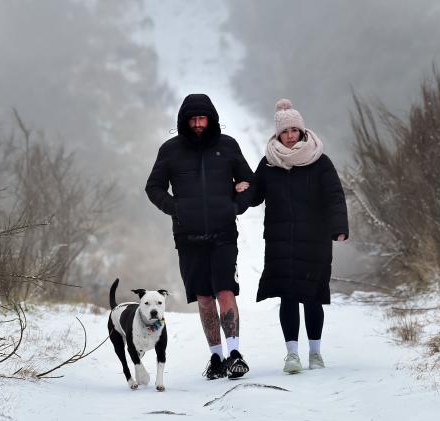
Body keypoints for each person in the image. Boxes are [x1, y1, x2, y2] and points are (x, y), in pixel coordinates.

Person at [235, 99, 349, 374]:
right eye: (285, 131)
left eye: (294, 130)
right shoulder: (269, 164)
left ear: (301, 131)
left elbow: (334, 196)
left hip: (315, 239)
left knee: (312, 296)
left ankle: (316, 353)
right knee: (287, 296)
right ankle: (292, 355)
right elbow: (256, 194)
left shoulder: (320, 161)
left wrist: (339, 227)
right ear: (277, 134)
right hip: (280, 239)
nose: (290, 135)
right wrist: (239, 192)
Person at [145, 93, 254, 379]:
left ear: (211, 119)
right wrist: (176, 209)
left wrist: (235, 205)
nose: (197, 124)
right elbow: (153, 188)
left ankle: (234, 354)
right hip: (188, 237)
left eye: (202, 118)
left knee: (226, 291)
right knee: (204, 297)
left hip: (223, 234)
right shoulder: (170, 150)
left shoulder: (228, 146)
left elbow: (250, 183)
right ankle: (216, 359)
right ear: (184, 121)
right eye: (192, 119)